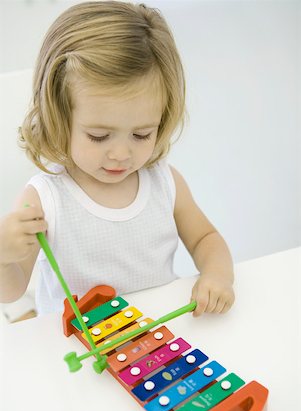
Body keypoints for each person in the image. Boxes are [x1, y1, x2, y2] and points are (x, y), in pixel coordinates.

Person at [0, 1, 234, 317]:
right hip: (77, 345)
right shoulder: (45, 197)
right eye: (98, 136)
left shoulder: (165, 182)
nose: (121, 154)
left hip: (153, 331)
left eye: (141, 135)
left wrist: (217, 275)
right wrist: (3, 257)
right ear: (59, 117)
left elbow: (206, 238)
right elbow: (12, 290)